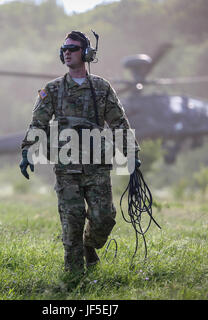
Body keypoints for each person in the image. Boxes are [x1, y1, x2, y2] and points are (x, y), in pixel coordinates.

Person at [20, 31, 140, 274]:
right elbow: (38, 123)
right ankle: (74, 279)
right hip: (67, 167)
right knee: (72, 222)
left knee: (104, 218)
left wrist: (131, 153)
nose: (67, 52)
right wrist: (28, 151)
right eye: (64, 48)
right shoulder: (52, 89)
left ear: (86, 54)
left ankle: (90, 246)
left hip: (96, 165)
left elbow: (118, 122)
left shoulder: (101, 87)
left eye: (73, 48)